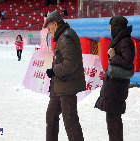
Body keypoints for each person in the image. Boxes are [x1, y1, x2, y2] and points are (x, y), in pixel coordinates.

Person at [43, 11, 86, 141]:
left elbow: (71, 63)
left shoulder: (65, 37)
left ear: (55, 24)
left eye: (50, 28)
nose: (50, 32)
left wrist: (54, 71)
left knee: (70, 119)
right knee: (51, 116)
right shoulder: (63, 36)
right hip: (60, 85)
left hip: (67, 85)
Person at [95, 15, 135, 141]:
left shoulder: (125, 41)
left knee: (114, 119)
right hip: (114, 84)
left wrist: (113, 56)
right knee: (112, 118)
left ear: (116, 27)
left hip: (117, 86)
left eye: (111, 27)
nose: (109, 29)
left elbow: (128, 62)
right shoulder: (121, 40)